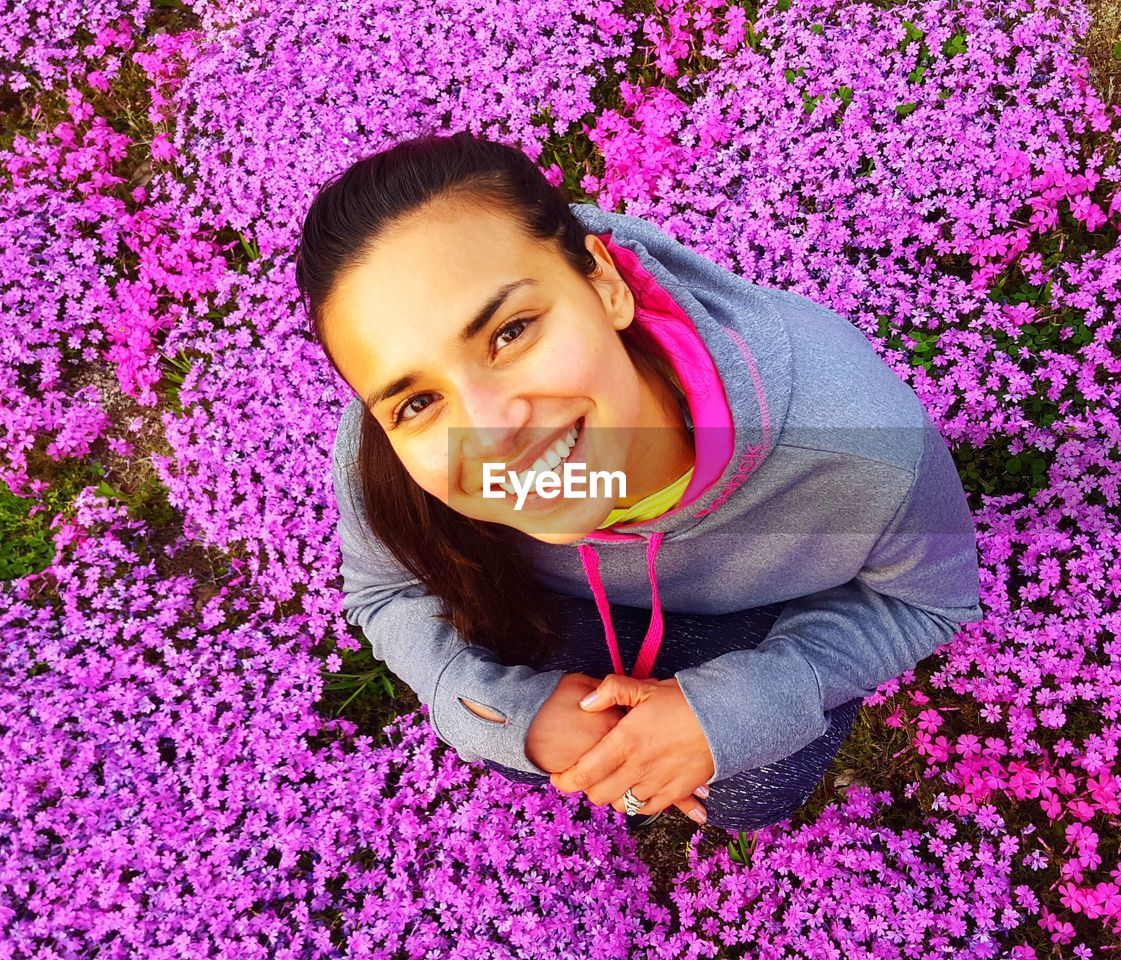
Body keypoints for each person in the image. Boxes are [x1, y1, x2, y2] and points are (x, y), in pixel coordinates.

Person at [296, 131, 984, 833]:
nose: (492, 430)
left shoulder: (856, 437)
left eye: (510, 332)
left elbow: (930, 602)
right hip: (570, 603)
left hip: (759, 607)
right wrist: (501, 713)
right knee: (510, 739)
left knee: (750, 787)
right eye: (417, 401)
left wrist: (737, 708)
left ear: (604, 282)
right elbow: (384, 590)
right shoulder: (383, 458)